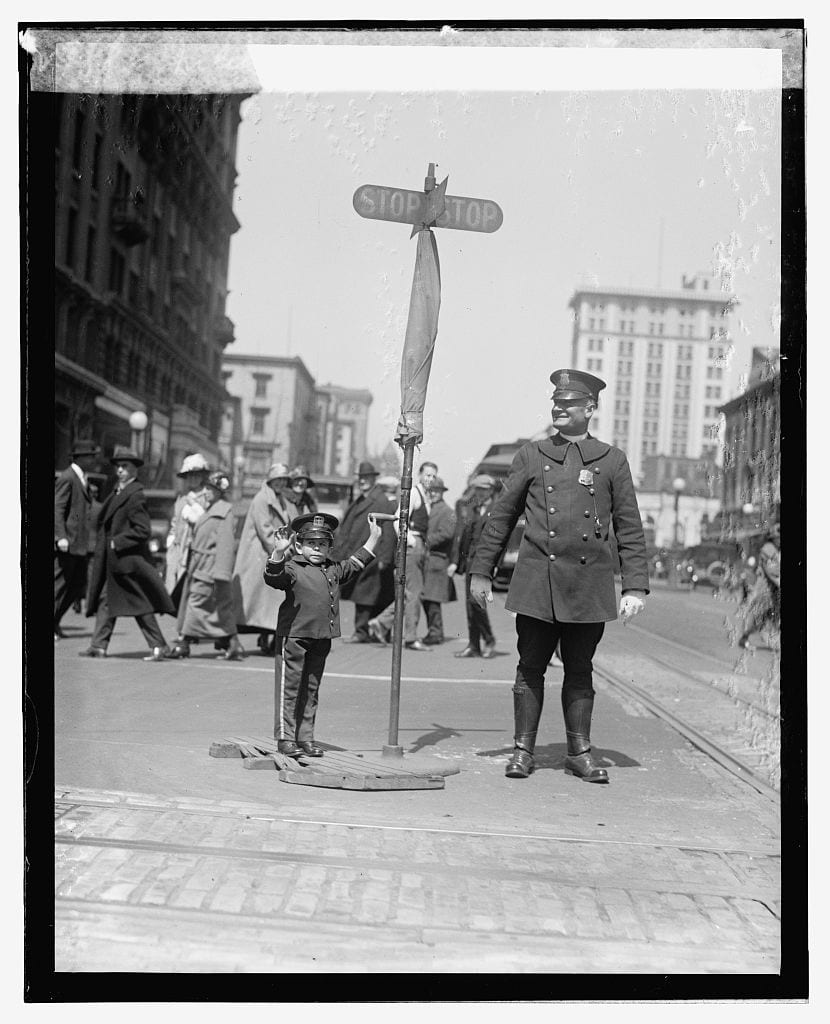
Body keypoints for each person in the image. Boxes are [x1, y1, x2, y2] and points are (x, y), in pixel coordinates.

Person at [470, 369, 649, 783]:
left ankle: (579, 752)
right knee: (529, 665)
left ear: (590, 409)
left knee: (580, 668)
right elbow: (501, 517)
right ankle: (521, 751)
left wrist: (635, 585)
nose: (558, 409)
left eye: (568, 404)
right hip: (537, 581)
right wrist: (482, 571)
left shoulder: (612, 459)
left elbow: (629, 526)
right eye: (556, 403)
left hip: (588, 586)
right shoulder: (531, 456)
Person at [263, 511, 383, 756]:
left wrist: (373, 540)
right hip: (294, 637)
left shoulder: (333, 568)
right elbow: (273, 577)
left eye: (322, 544)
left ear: (330, 547)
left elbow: (355, 564)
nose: (317, 549)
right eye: (311, 543)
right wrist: (278, 552)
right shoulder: (292, 567)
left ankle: (305, 737)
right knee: (290, 689)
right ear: (298, 545)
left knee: (311, 689)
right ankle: (286, 739)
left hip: (321, 638)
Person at [81, 447, 175, 661]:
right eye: (119, 466)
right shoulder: (118, 491)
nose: (121, 470)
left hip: (126, 560)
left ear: (135, 471)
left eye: (126, 467)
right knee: (107, 600)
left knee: (139, 604)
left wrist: (117, 542)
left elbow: (143, 530)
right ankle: (99, 646)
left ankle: (159, 646)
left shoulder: (135, 495)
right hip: (115, 561)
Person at [167, 471, 245, 661]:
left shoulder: (224, 511)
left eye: (211, 489)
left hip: (210, 569)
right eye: (206, 488)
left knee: (195, 604)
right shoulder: (209, 509)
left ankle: (184, 643)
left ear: (220, 492)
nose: (206, 492)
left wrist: (221, 573)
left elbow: (226, 545)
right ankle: (233, 644)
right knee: (218, 611)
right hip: (199, 566)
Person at [369, 461, 437, 652]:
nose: (430, 479)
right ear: (420, 474)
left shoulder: (426, 495)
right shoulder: (415, 493)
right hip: (413, 546)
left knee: (408, 595)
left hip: (419, 546)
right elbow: (399, 518)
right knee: (414, 594)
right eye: (427, 475)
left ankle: (381, 622)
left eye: (433, 476)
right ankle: (411, 638)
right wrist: (408, 540)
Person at [330, 461, 397, 643]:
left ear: (373, 479)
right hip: (362, 551)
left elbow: (389, 532)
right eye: (360, 478)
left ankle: (362, 632)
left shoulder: (380, 500)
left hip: (373, 554)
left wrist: (384, 557)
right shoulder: (361, 499)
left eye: (366, 478)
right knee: (367, 594)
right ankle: (368, 631)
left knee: (365, 594)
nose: (363, 481)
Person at [232, 463, 292, 656]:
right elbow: (264, 530)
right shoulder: (261, 499)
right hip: (259, 556)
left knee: (268, 603)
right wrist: (280, 551)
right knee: (262, 602)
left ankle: (268, 638)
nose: (281, 483)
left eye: (284, 480)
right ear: (271, 480)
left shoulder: (279, 499)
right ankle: (264, 639)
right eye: (278, 480)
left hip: (270, 554)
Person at [54, 439, 101, 638]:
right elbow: (58, 508)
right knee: (60, 585)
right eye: (90, 456)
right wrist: (61, 536)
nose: (93, 460)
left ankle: (55, 621)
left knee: (76, 586)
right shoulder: (68, 477)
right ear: (80, 458)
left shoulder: (82, 477)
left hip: (79, 543)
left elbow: (75, 511)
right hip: (68, 543)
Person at [450, 474, 499, 658]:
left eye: (482, 490)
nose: (478, 493)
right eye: (476, 489)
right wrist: (457, 561)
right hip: (471, 561)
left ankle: (489, 639)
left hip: (485, 562)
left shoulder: (497, 509)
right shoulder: (474, 508)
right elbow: (464, 534)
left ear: (490, 490)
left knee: (476, 602)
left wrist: (495, 565)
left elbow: (501, 540)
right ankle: (474, 644)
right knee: (470, 605)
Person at [164, 453, 211, 599]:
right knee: (175, 586)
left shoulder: (207, 498)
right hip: (178, 549)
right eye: (190, 475)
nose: (193, 478)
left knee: (192, 589)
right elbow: (174, 523)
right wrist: (171, 541)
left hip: (196, 549)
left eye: (197, 475)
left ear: (202, 476)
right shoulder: (181, 498)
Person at [419, 477, 457, 645]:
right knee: (427, 599)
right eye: (430, 491)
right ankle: (434, 632)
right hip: (428, 560)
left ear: (442, 492)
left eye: (436, 491)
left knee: (432, 600)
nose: (433, 493)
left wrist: (425, 540)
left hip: (437, 560)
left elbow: (447, 534)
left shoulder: (448, 511)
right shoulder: (429, 508)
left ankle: (436, 633)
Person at [737, 522, 780, 651]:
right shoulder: (768, 549)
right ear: (773, 538)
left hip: (777, 588)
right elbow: (772, 571)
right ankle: (745, 635)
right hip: (766, 588)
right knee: (759, 614)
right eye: (778, 538)